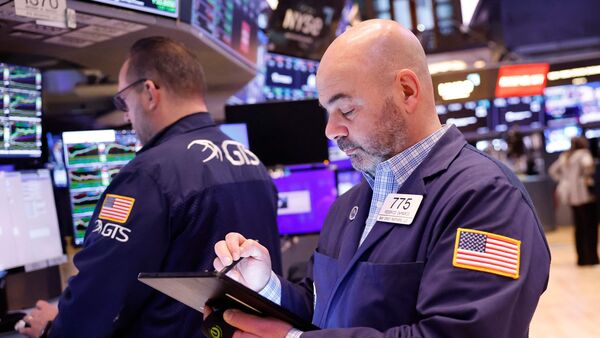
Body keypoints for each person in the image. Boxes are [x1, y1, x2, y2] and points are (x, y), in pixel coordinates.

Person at [212, 19, 551, 337]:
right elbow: (324, 308)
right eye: (326, 113)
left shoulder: (485, 199)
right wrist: (265, 286)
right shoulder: (347, 207)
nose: (331, 131)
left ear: (406, 91)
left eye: (346, 110)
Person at [18, 37, 282, 338]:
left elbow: (99, 289)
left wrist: (54, 329)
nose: (126, 115)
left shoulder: (150, 174)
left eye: (123, 101)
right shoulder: (252, 162)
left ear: (149, 93)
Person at [549, 136, 599, 266]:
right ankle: (592, 258)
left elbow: (552, 171)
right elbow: (588, 165)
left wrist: (564, 180)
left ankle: (581, 259)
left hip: (572, 197)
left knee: (579, 228)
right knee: (590, 227)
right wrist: (585, 177)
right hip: (586, 196)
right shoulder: (583, 154)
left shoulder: (565, 157)